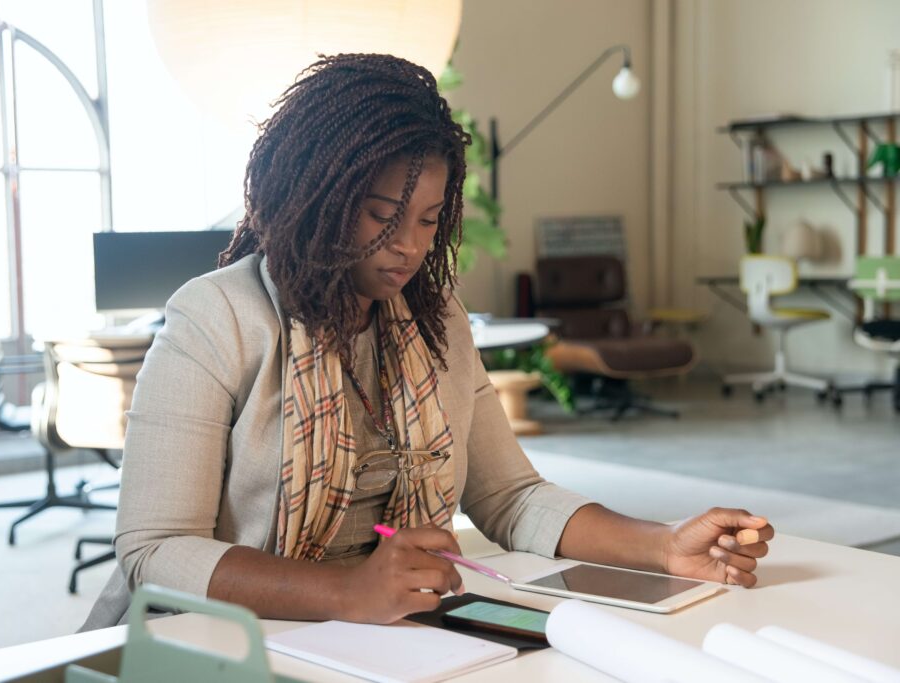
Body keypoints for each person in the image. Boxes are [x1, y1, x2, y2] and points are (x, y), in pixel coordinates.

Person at [82, 53, 773, 629]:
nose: (408, 246)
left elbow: (512, 496)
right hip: (213, 640)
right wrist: (347, 592)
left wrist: (662, 545)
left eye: (427, 219)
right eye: (382, 216)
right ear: (314, 194)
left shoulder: (435, 320)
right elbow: (157, 548)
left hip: (388, 632)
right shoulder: (216, 317)